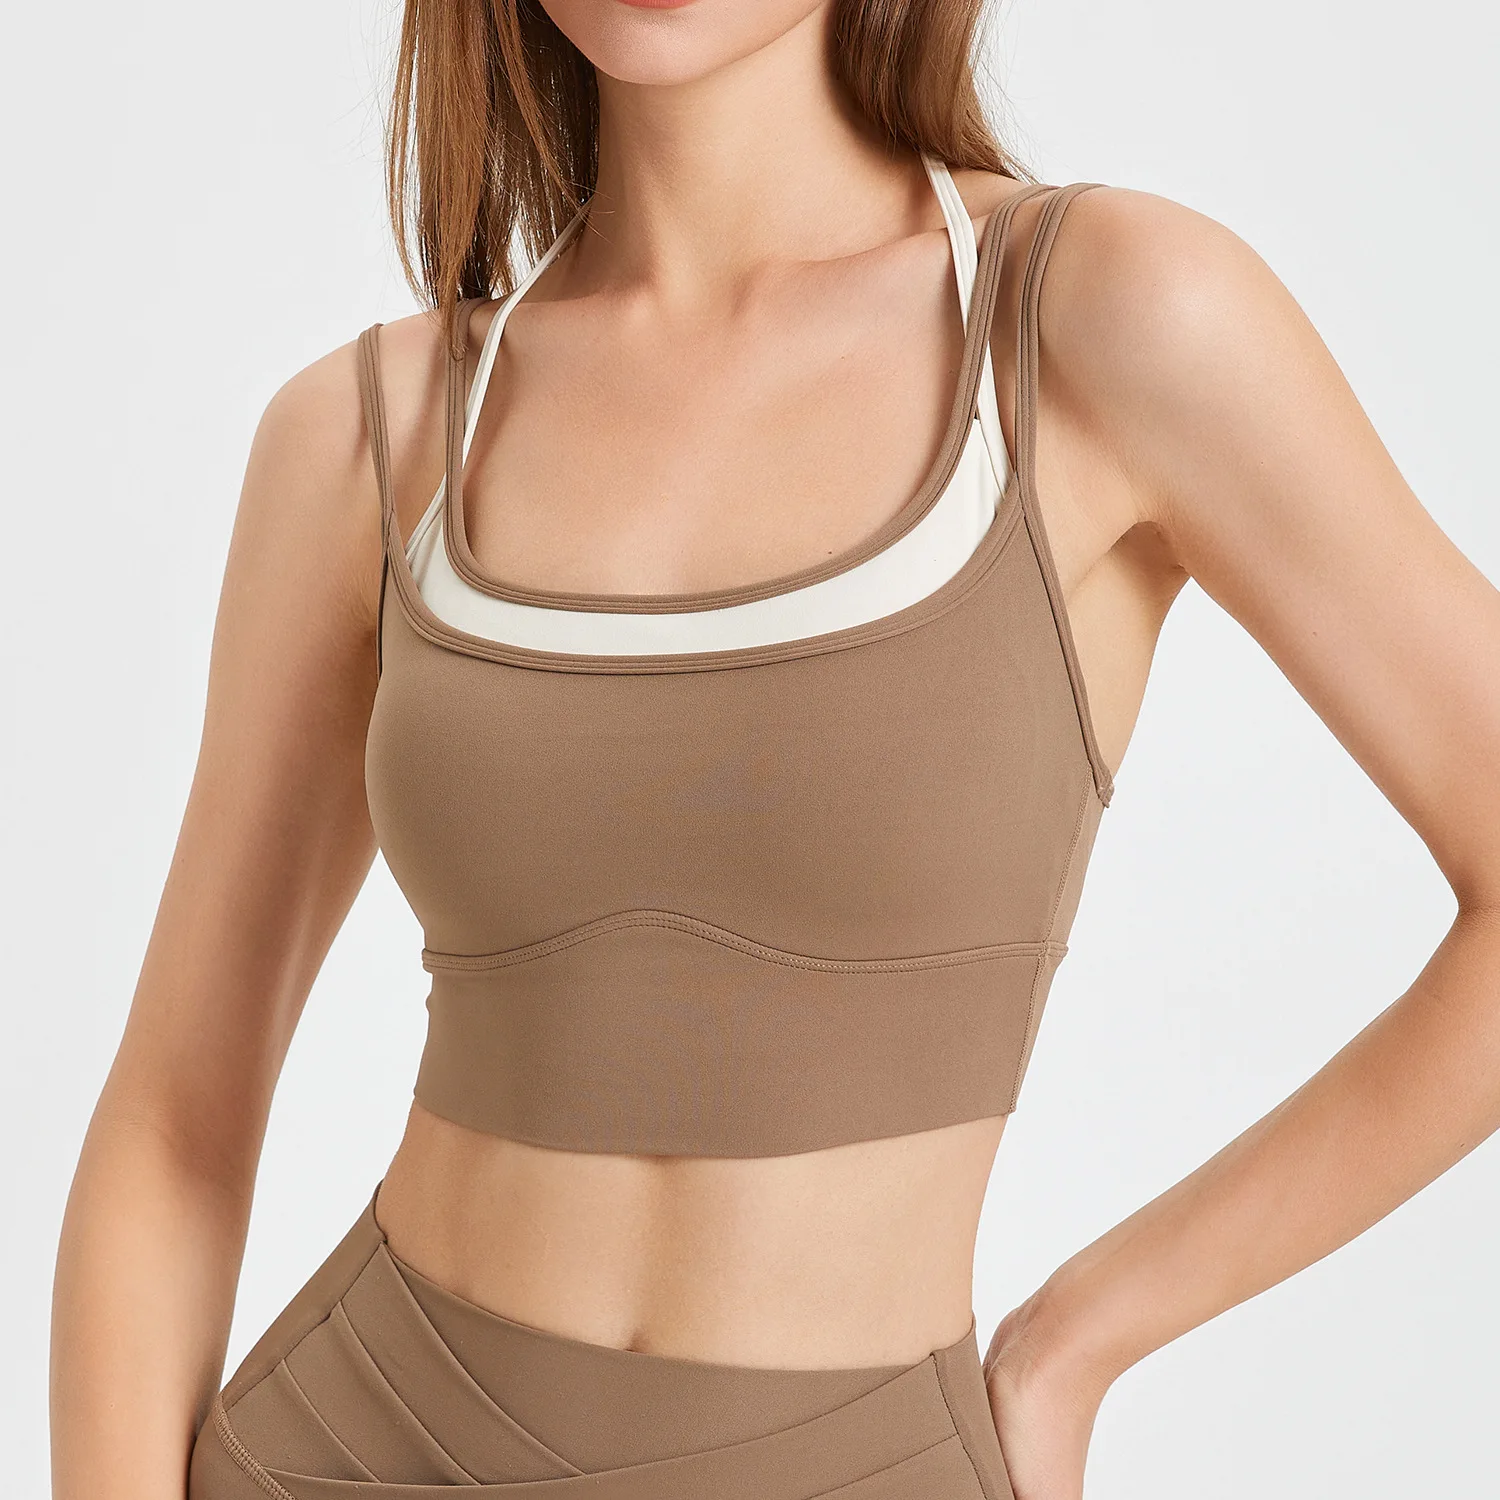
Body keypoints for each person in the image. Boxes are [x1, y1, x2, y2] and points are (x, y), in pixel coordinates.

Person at [49, 2, 1500, 1498]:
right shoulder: (376, 433)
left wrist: (1081, 1339)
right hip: (349, 1453)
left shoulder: (1092, 321)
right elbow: (175, 1121)